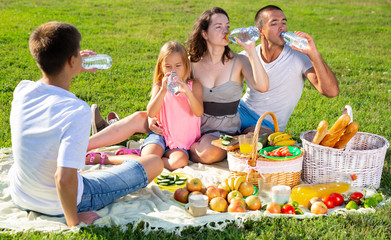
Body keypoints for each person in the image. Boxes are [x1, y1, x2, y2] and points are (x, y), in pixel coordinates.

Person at [8, 21, 163, 227]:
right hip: (60, 203)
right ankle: (102, 162)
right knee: (154, 163)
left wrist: (72, 67)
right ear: (72, 60)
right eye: (78, 54)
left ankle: (91, 159)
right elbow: (63, 178)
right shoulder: (76, 110)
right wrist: (74, 220)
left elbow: (52, 79)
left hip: (21, 194)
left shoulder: (22, 90)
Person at [186, 7, 269, 164]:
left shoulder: (239, 61)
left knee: (268, 137)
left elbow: (263, 86)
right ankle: (187, 146)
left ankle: (237, 142)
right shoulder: (191, 63)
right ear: (204, 34)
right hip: (198, 129)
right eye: (218, 27)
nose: (225, 31)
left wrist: (251, 51)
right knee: (208, 153)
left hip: (228, 132)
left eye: (227, 26)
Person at [238, 5, 339, 134]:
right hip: (241, 111)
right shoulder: (247, 54)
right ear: (260, 31)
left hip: (267, 124)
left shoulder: (299, 55)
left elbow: (331, 92)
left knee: (252, 142)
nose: (282, 27)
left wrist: (314, 55)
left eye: (284, 23)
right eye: (274, 23)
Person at [140, 41, 203, 171]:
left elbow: (198, 112)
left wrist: (187, 91)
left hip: (180, 143)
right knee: (149, 157)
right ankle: (144, 160)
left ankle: (143, 161)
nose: (173, 71)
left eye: (178, 66)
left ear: (186, 66)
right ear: (161, 67)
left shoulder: (194, 86)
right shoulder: (159, 86)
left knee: (180, 161)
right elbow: (151, 113)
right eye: (168, 66)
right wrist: (163, 90)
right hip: (161, 135)